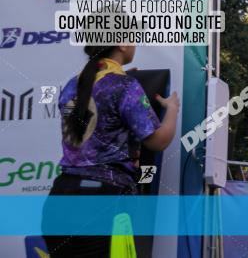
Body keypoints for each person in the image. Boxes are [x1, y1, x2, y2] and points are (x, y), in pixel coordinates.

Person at [42, 44, 179, 257]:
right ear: (122, 44)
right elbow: (158, 141)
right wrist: (172, 109)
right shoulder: (124, 86)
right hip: (103, 202)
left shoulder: (72, 85)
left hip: (60, 196)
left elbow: (92, 112)